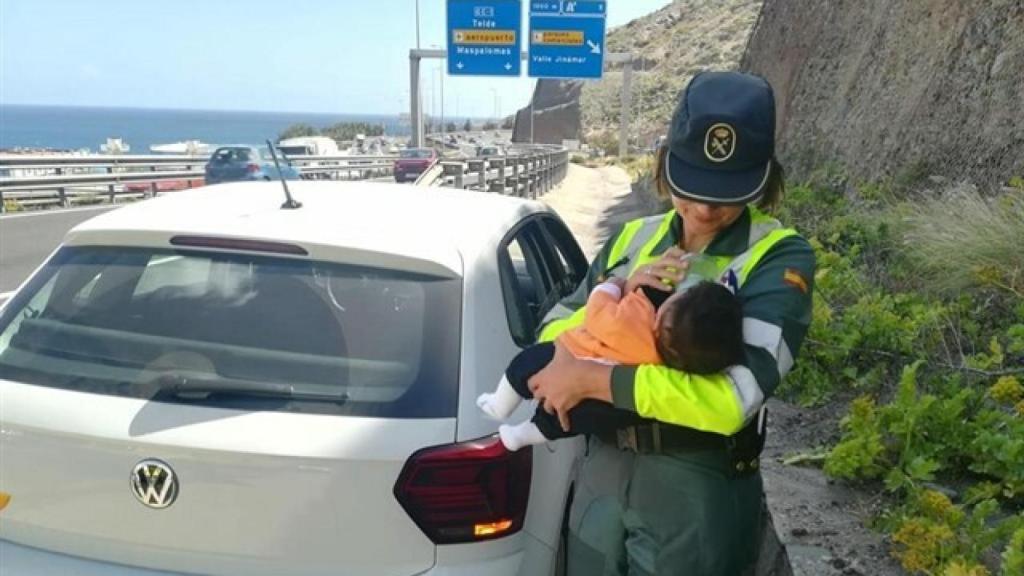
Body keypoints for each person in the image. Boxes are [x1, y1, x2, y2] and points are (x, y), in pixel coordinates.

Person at [529, 71, 815, 576]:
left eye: (727, 194)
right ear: (666, 165)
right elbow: (555, 323)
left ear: (763, 179)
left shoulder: (777, 257)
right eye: (694, 187)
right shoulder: (632, 239)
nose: (705, 210)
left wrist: (592, 377)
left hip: (695, 484)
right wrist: (575, 347)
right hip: (602, 474)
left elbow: (730, 400)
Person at [478, 278, 744, 450]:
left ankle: (501, 403)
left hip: (570, 351)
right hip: (605, 409)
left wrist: (615, 286)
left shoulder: (635, 314)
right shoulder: (662, 367)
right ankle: (523, 434)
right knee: (571, 420)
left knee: (525, 363)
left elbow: (595, 311)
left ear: (663, 311)